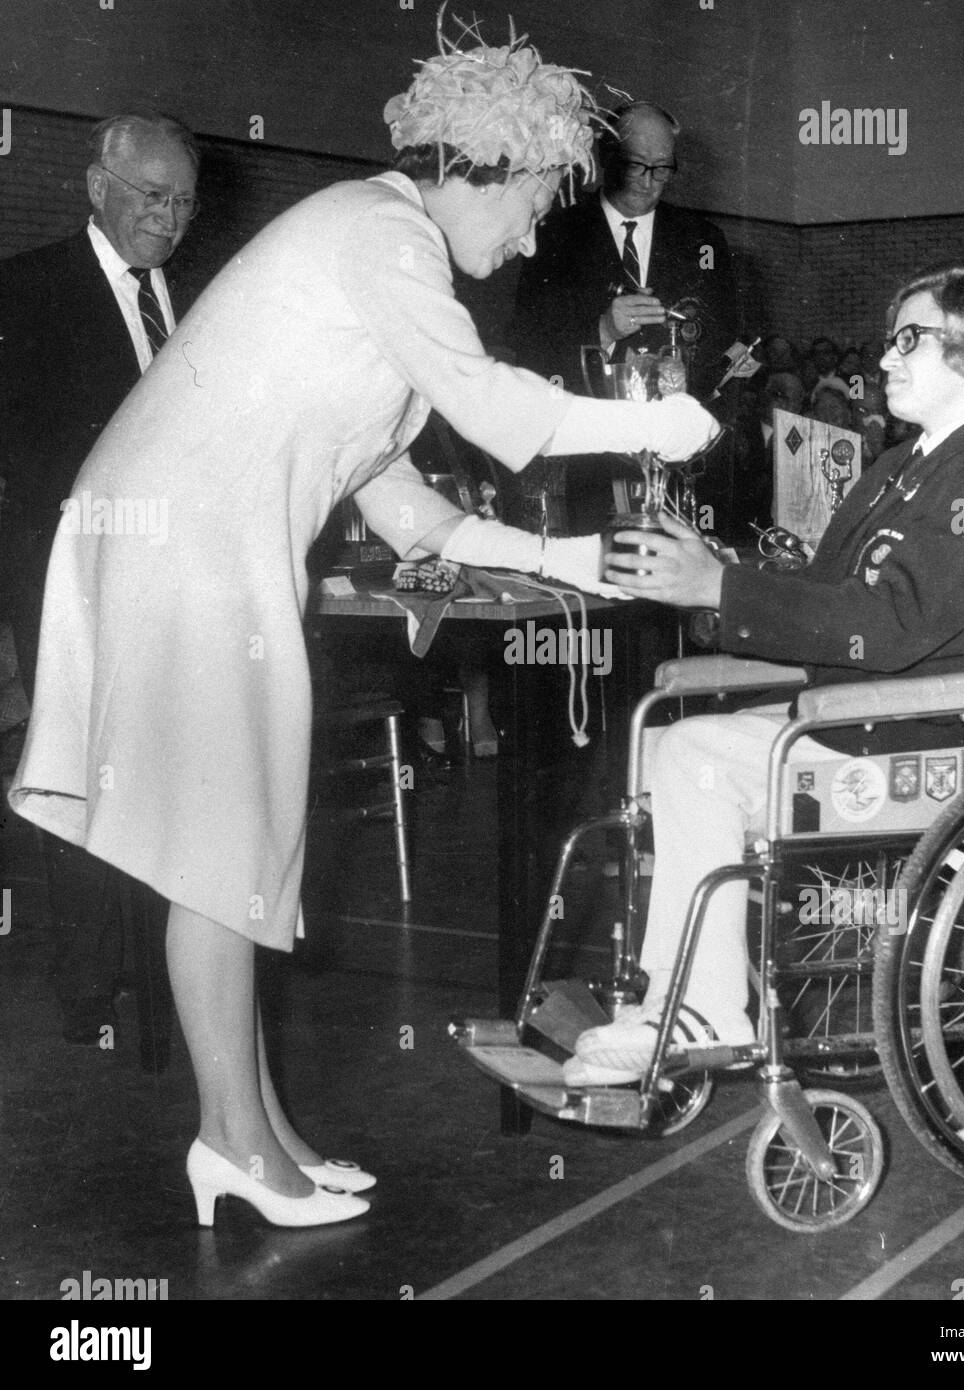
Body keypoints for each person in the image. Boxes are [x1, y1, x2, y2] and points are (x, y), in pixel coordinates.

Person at [8, 20, 718, 1227]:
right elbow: (500, 411)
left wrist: (572, 556)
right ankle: (235, 1145)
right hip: (175, 545)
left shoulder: (385, 268)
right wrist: (657, 423)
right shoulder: (380, 230)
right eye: (534, 205)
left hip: (190, 544)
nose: (536, 232)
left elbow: (410, 509)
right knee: (218, 862)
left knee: (235, 856)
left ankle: (258, 1131)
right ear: (483, 172)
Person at [564, 264, 964, 1085]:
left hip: (944, 726)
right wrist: (716, 570)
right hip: (861, 710)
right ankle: (674, 999)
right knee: (674, 738)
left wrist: (720, 590)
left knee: (694, 753)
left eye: (911, 338)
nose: (887, 357)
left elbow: (896, 624)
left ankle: (703, 1007)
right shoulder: (900, 464)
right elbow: (831, 594)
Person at [0, 111, 200, 1053]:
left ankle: (171, 973)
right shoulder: (27, 290)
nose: (170, 218)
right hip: (70, 578)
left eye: (184, 201)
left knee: (172, 773)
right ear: (97, 188)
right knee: (79, 775)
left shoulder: (196, 295)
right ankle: (90, 988)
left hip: (182, 579)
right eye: (153, 197)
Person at [511, 100, 741, 532]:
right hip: (587, 461)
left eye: (662, 168)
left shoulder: (704, 241)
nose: (649, 181)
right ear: (608, 158)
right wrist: (602, 329)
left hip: (678, 459)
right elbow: (529, 342)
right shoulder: (554, 232)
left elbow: (723, 338)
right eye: (637, 164)